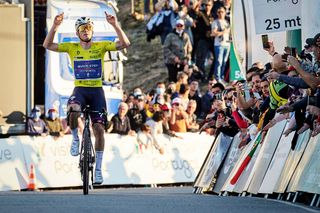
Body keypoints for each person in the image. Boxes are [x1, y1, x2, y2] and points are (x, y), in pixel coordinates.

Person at [43, 12, 130, 184]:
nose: (86, 31)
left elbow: (125, 43)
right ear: (77, 33)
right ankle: (75, 138)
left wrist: (114, 25)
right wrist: (55, 26)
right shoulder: (71, 47)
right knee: (73, 109)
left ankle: (98, 170)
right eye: (82, 29)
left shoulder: (101, 46)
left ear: (92, 31)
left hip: (97, 91)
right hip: (80, 90)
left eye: (89, 28)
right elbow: (47, 45)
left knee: (99, 130)